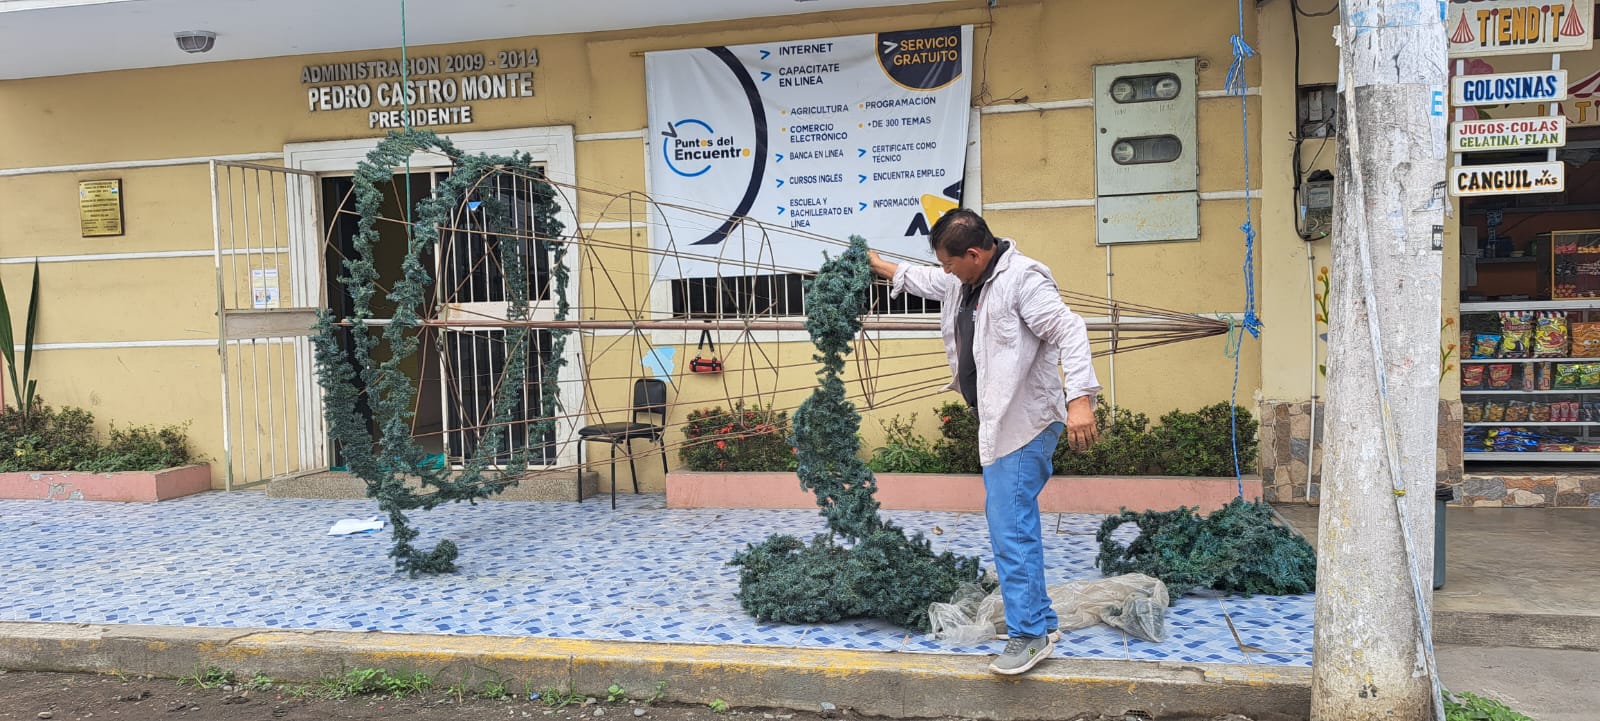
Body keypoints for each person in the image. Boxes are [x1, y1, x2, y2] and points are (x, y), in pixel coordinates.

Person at [868, 209, 1100, 676]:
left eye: (951, 263)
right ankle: (1042, 622)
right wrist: (880, 265)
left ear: (974, 254)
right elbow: (929, 281)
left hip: (1025, 423)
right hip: (999, 423)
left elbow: (1069, 329)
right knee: (1013, 524)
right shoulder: (966, 281)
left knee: (1010, 528)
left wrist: (1080, 400)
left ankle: (1029, 636)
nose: (947, 272)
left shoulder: (1023, 280)